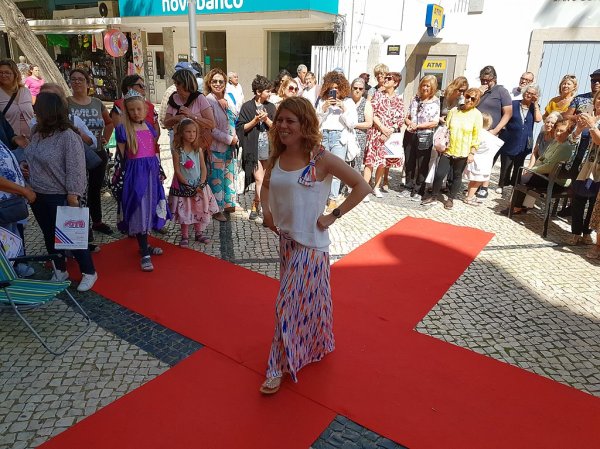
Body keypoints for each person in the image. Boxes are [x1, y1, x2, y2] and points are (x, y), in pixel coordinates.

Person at [258, 96, 371, 394]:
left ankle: (276, 367)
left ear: (305, 123)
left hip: (311, 246)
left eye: (290, 121)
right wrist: (267, 212)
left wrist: (333, 215)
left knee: (286, 304)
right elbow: (266, 185)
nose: (283, 126)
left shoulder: (321, 158)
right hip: (287, 243)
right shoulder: (277, 156)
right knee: (311, 300)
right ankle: (319, 343)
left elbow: (362, 186)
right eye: (280, 120)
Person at [23, 92, 98, 291]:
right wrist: (25, 166)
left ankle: (89, 271)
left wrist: (73, 195)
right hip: (38, 194)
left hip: (59, 195)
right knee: (49, 236)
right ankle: (60, 269)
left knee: (72, 237)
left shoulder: (68, 136)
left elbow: (76, 167)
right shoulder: (37, 132)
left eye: (37, 109)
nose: (34, 112)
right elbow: (31, 155)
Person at [115, 91, 170, 272]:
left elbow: (153, 151)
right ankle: (145, 252)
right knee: (139, 209)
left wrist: (159, 170)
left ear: (145, 109)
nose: (136, 113)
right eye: (132, 110)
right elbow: (121, 157)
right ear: (127, 111)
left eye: (139, 109)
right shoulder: (123, 129)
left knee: (150, 208)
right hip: (135, 176)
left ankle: (144, 245)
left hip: (151, 173)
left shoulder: (149, 126)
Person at [67, 68, 114, 236]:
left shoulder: (96, 103)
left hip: (97, 152)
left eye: (81, 79)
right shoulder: (66, 103)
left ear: (88, 83)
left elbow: (109, 122)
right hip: (75, 154)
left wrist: (105, 138)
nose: (77, 82)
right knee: (78, 191)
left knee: (95, 188)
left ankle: (97, 221)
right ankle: (81, 227)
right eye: (73, 79)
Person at [503, 117, 580, 215]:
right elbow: (542, 158)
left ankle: (516, 207)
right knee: (526, 177)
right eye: (557, 130)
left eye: (562, 131)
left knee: (521, 178)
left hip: (556, 182)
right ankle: (523, 206)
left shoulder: (565, 147)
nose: (558, 133)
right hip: (547, 175)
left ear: (568, 133)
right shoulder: (556, 142)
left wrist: (533, 170)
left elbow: (549, 167)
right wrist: (532, 169)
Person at [421, 88, 483, 210]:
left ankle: (450, 199)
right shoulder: (454, 111)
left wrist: (472, 152)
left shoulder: (477, 115)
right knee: (439, 174)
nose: (469, 100)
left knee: (457, 175)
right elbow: (446, 129)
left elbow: (476, 136)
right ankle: (434, 196)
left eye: (473, 99)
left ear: (476, 101)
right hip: (448, 149)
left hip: (463, 151)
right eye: (468, 96)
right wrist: (441, 144)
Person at [168, 118, 218, 247]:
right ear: (181, 133)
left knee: (198, 208)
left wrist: (201, 183)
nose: (191, 134)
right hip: (184, 187)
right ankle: (184, 235)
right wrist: (187, 184)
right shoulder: (177, 151)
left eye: (194, 132)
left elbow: (203, 168)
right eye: (188, 131)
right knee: (185, 209)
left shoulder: (198, 150)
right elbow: (177, 170)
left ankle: (198, 233)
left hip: (198, 186)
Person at [315, 71, 358, 210]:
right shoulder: (322, 101)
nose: (335, 91)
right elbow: (315, 123)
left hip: (339, 137)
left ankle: (333, 198)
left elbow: (352, 124)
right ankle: (321, 196)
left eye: (337, 88)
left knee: (336, 170)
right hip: (324, 136)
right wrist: (323, 110)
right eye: (332, 88)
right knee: (322, 169)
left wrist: (343, 109)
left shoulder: (348, 102)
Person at [236, 75, 276, 221]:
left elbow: (276, 128)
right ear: (258, 92)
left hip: (269, 149)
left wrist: (266, 119)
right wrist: (255, 120)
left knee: (266, 180)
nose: (270, 93)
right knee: (259, 179)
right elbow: (241, 128)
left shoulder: (271, 107)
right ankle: (264, 210)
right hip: (253, 149)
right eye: (267, 91)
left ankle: (256, 203)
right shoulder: (247, 107)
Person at [565, 90, 600, 246]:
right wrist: (578, 129)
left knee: (593, 202)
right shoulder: (586, 116)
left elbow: (598, 141)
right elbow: (572, 141)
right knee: (578, 199)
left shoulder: (592, 122)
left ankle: (587, 232)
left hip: (596, 167)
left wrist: (592, 126)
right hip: (580, 163)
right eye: (598, 99)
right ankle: (575, 233)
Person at [204, 68, 239, 221]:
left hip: (230, 146)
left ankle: (228, 204)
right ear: (209, 83)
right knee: (216, 178)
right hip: (216, 147)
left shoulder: (227, 99)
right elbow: (211, 129)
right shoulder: (208, 101)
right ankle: (216, 210)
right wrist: (229, 139)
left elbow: (234, 118)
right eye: (214, 81)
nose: (218, 84)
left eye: (221, 81)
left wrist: (235, 138)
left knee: (228, 176)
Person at [495, 83, 542, 194]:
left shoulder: (534, 107)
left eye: (532, 94)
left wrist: (535, 104)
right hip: (510, 138)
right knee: (506, 163)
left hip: (525, 140)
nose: (528, 95)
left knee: (519, 164)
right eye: (527, 92)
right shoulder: (513, 104)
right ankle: (501, 184)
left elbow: (538, 119)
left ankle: (515, 185)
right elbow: (504, 116)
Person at [363, 72, 404, 199]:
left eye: (389, 78)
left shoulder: (398, 100)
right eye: (385, 78)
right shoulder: (377, 95)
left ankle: (376, 187)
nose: (385, 80)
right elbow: (372, 113)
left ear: (395, 83)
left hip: (388, 136)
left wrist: (389, 131)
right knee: (370, 162)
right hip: (375, 133)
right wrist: (382, 128)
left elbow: (400, 119)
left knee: (382, 163)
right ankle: (364, 189)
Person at [476, 66, 513, 199]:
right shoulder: (479, 91)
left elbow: (508, 113)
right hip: (477, 130)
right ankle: (474, 184)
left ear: (494, 79)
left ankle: (484, 187)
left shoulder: (501, 91)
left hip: (491, 131)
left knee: (487, 160)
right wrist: (478, 93)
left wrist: (496, 130)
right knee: (476, 159)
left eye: (487, 80)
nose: (485, 82)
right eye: (482, 80)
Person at [164, 68, 215, 159]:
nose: (176, 86)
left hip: (197, 146)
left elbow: (211, 124)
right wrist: (177, 118)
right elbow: (166, 123)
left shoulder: (199, 98)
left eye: (178, 83)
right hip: (179, 146)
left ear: (186, 83)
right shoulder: (173, 99)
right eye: (175, 83)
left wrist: (192, 116)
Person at [403, 75, 440, 200]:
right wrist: (410, 123)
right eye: (423, 85)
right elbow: (407, 117)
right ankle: (408, 186)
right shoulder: (415, 99)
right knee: (409, 162)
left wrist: (418, 126)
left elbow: (434, 122)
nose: (425, 88)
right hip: (410, 134)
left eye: (428, 86)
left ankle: (419, 190)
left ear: (433, 87)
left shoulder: (435, 101)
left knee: (422, 164)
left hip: (425, 135)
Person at [463, 113, 504, 205]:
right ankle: (469, 198)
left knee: (473, 180)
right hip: (482, 162)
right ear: (489, 124)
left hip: (475, 160)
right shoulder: (486, 135)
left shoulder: (475, 133)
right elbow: (495, 145)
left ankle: (469, 195)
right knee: (478, 181)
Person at [0, 59, 34, 141]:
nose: (3, 75)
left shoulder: (25, 91)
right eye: (0, 72)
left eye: (7, 72)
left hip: (32, 140)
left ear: (15, 74)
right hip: (11, 142)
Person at [350, 77, 373, 174]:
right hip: (346, 137)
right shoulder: (347, 101)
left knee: (356, 165)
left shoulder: (366, 103)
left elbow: (369, 123)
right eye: (355, 88)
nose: (357, 90)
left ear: (363, 90)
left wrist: (353, 125)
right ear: (351, 88)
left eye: (360, 89)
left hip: (359, 138)